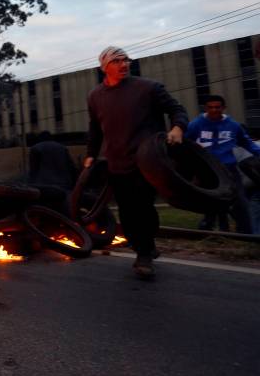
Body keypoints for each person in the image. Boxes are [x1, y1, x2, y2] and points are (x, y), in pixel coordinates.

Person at [84, 46, 188, 279]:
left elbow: (176, 109)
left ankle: (144, 253)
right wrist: (91, 154)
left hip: (148, 161)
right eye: (117, 61)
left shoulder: (148, 88)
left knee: (143, 206)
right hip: (117, 163)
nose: (124, 64)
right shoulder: (95, 96)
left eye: (126, 60)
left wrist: (178, 127)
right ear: (104, 67)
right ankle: (144, 245)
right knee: (127, 211)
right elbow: (95, 129)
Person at [185, 95, 259, 233]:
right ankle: (206, 228)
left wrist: (258, 152)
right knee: (211, 201)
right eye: (210, 107)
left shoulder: (233, 125)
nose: (214, 110)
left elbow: (246, 142)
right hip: (207, 170)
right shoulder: (196, 124)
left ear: (223, 108)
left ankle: (247, 234)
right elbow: (186, 144)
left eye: (217, 107)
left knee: (240, 202)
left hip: (229, 170)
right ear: (206, 108)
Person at [27, 131, 78, 216]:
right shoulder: (62, 148)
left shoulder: (36, 148)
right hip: (64, 186)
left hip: (45, 187)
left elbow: (33, 170)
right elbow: (71, 167)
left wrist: (30, 185)